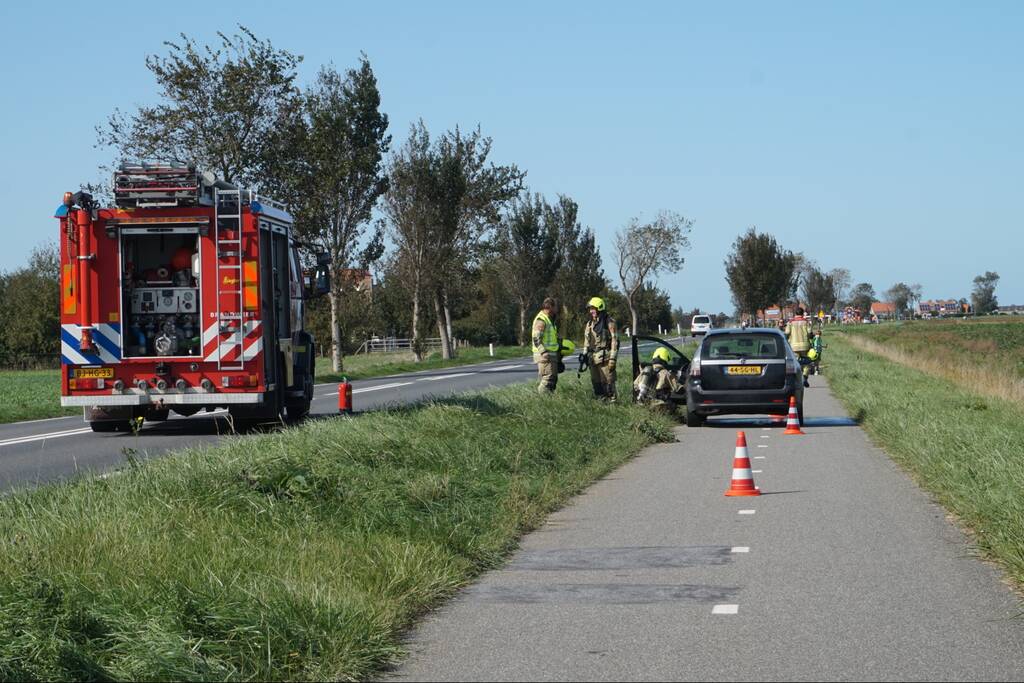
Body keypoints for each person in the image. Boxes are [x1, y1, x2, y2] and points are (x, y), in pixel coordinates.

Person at [582, 296, 619, 401]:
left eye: (593, 308)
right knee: (596, 384)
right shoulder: (589, 324)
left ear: (599, 308)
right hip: (592, 358)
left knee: (608, 382)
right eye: (590, 309)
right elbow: (586, 341)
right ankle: (601, 402)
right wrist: (584, 354)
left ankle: (612, 404)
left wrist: (613, 358)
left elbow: (614, 340)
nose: (591, 311)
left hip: (605, 358)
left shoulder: (609, 322)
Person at [634, 347, 681, 414]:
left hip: (643, 404)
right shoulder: (665, 373)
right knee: (673, 405)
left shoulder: (644, 371)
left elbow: (635, 385)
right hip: (658, 405)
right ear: (664, 360)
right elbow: (676, 388)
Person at [531, 297, 561, 394]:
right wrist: (543, 352)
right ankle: (541, 398)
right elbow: (536, 338)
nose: (557, 309)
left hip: (550, 354)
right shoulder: (542, 319)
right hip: (544, 355)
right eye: (555, 307)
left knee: (552, 380)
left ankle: (548, 399)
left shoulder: (549, 319)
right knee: (548, 379)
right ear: (551, 307)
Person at [785, 307, 812, 387]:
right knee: (807, 362)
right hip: (805, 345)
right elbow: (810, 333)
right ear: (803, 313)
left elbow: (787, 333)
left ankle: (796, 379)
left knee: (795, 362)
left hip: (794, 346)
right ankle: (805, 377)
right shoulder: (806, 322)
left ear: (795, 313)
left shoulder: (790, 322)